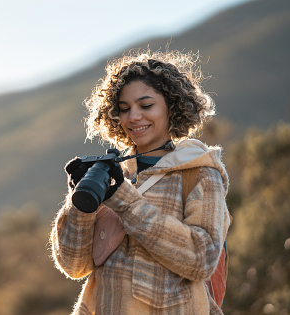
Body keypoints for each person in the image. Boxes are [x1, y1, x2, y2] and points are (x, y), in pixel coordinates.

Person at [50, 49, 231, 314]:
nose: (133, 117)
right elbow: (74, 266)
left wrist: (125, 201)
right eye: (124, 109)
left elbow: (202, 259)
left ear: (172, 107)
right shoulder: (112, 175)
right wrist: (79, 205)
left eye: (146, 106)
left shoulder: (200, 172)